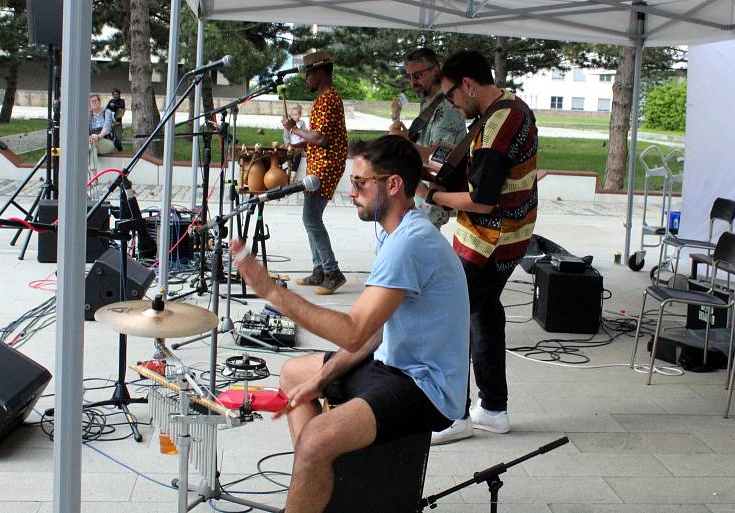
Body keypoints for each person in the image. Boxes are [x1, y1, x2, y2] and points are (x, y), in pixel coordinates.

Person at [229, 135, 470, 513]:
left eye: (360, 182)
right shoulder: (396, 233)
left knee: (314, 440)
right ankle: (320, 482)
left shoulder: (411, 242)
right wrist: (320, 380)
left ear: (393, 184)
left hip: (426, 386)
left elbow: (354, 329)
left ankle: (315, 467)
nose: (351, 191)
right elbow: (374, 331)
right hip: (391, 363)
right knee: (295, 376)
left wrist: (273, 294)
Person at [417, 50, 538, 445]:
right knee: (484, 314)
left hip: (491, 241)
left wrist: (432, 197)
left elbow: (482, 200)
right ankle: (493, 409)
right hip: (504, 237)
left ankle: (453, 415)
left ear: (468, 84)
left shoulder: (499, 125)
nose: (451, 102)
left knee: (450, 318)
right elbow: (479, 174)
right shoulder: (510, 106)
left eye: (451, 93)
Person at [282, 51, 349, 295]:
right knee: (310, 218)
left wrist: (293, 129)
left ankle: (332, 272)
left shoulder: (328, 99)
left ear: (320, 73)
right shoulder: (325, 99)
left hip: (326, 167)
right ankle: (319, 270)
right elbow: (319, 137)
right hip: (322, 165)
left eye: (308, 74)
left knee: (311, 218)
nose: (306, 79)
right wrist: (295, 141)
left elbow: (321, 138)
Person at [389, 48, 467, 228]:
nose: (412, 82)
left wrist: (405, 142)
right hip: (421, 194)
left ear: (435, 70)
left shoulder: (447, 108)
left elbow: (440, 158)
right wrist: (407, 136)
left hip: (431, 198)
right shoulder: (430, 102)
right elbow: (429, 143)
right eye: (409, 77)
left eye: (417, 76)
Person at [88, 94, 116, 176]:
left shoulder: (107, 112)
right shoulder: (88, 114)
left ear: (99, 102)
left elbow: (106, 129)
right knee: (92, 147)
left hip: (107, 142)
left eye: (96, 100)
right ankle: (94, 178)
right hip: (93, 142)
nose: (94, 102)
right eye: (92, 101)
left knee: (92, 143)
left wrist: (98, 136)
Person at [283, 104, 307, 173]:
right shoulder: (289, 124)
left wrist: (302, 146)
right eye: (292, 114)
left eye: (296, 114)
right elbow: (285, 136)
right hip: (291, 144)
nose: (293, 116)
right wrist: (288, 144)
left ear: (299, 115)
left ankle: (294, 171)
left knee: (297, 155)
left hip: (299, 145)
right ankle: (287, 167)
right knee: (288, 154)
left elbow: (304, 135)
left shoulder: (302, 123)